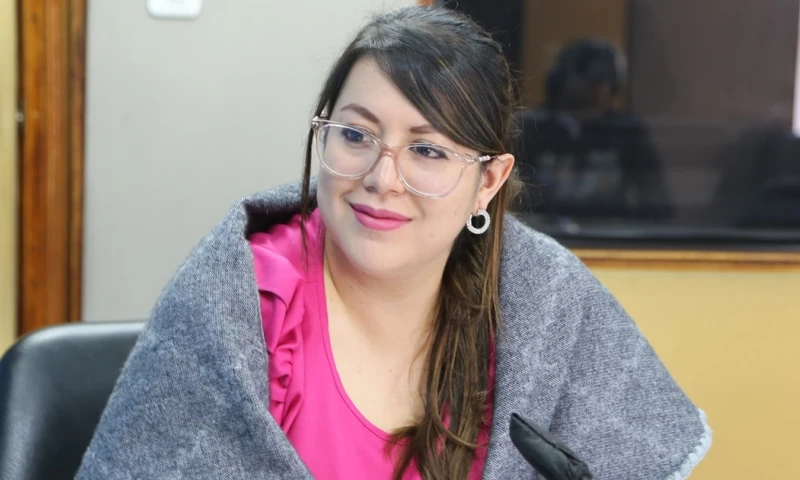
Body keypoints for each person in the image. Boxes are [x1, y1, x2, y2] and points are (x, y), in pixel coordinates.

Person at [76, 7, 710, 480]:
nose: (381, 178)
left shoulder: (540, 308)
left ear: (487, 181)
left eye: (428, 150)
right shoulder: (248, 300)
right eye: (356, 135)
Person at [517, 38, 673, 220]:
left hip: (608, 241)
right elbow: (516, 201)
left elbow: (658, 203)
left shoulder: (626, 131)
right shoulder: (531, 127)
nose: (588, 87)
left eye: (599, 80)